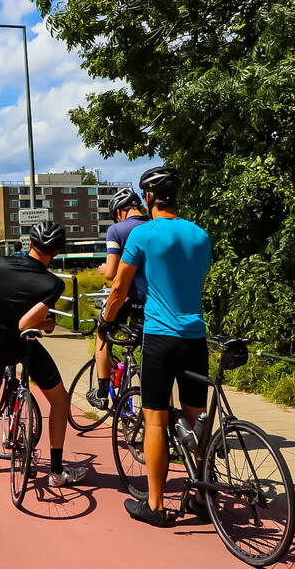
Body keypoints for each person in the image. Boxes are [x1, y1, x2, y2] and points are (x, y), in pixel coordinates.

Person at [100, 167, 212, 527]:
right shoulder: (200, 235)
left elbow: (119, 286)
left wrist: (106, 320)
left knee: (155, 420)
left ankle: (156, 505)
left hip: (161, 338)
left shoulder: (143, 235)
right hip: (196, 337)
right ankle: (199, 496)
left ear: (148, 198)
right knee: (198, 420)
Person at [0, 221, 88, 487]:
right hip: (18, 345)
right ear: (57, 253)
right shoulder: (51, 283)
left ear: (30, 244)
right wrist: (48, 324)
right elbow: (26, 323)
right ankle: (57, 472)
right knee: (59, 400)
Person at [86, 187, 149, 409]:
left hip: (129, 299)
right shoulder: (153, 226)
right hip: (154, 303)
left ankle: (102, 392)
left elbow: (112, 272)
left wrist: (103, 268)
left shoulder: (117, 230)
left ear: (119, 212)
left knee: (102, 333)